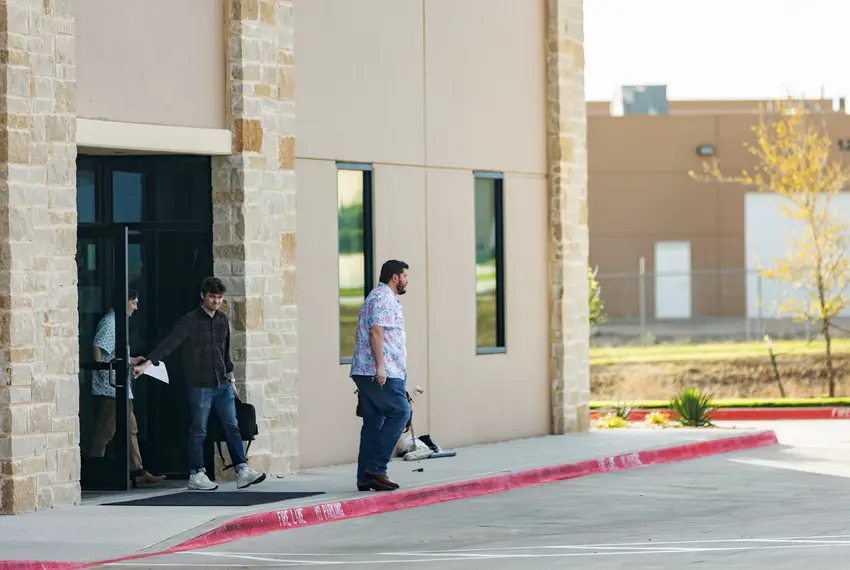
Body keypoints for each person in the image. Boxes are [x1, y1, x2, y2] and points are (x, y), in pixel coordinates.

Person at [132, 277, 266, 491]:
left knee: (232, 426)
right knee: (199, 430)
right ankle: (197, 474)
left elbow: (225, 352)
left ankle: (242, 470)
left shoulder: (222, 320)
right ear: (203, 296)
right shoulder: (190, 321)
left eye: (219, 298)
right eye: (212, 297)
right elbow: (169, 344)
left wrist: (231, 379)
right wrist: (147, 363)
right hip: (200, 385)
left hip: (222, 383)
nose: (216, 301)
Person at [90, 288, 165, 487]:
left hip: (120, 388)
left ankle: (137, 470)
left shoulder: (119, 323)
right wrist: (102, 372)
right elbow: (98, 348)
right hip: (111, 389)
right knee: (104, 432)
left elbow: (113, 353)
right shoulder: (111, 322)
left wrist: (131, 360)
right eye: (134, 302)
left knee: (131, 429)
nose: (136, 307)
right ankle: (93, 470)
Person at [350, 259, 411, 492]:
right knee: (400, 412)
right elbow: (376, 332)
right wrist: (381, 367)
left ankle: (365, 477)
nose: (407, 281)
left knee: (374, 423)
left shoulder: (377, 297)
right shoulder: (383, 298)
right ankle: (376, 468)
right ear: (394, 277)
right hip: (380, 372)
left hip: (369, 371)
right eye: (404, 276)